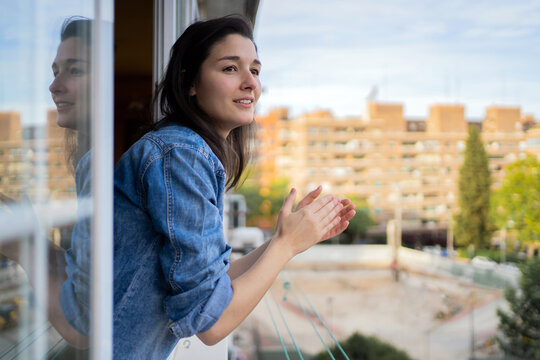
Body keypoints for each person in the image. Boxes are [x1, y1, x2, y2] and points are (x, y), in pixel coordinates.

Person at [112, 15, 356, 359]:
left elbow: (216, 278)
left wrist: (287, 239)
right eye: (230, 69)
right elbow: (212, 323)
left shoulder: (185, 151)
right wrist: (285, 246)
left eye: (254, 71)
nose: (250, 83)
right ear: (190, 83)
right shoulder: (180, 154)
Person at [0, 18, 92, 350]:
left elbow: (85, 323)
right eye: (56, 72)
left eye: (75, 71)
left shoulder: (103, 164)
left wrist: (20, 241)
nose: (54, 86)